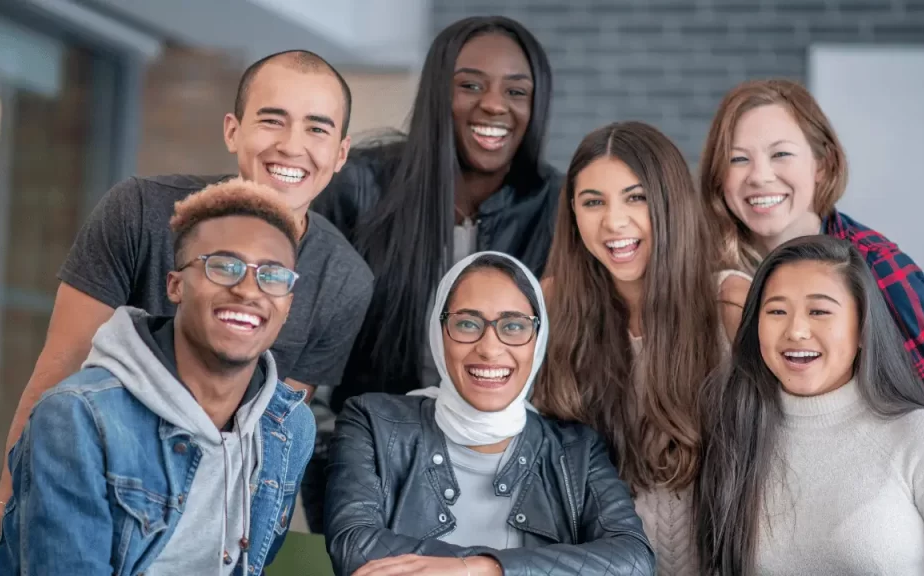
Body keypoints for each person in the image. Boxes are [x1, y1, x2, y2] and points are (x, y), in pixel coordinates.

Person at [0, 49, 373, 559]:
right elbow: (60, 367)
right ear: (232, 131)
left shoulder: (345, 281)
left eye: (317, 129)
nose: (292, 145)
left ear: (340, 153)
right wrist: (8, 502)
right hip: (94, 480)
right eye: (272, 120)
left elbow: (268, 431)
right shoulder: (138, 211)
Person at [305, 14, 562, 532]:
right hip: (367, 459)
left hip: (503, 470)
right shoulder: (359, 187)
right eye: (470, 85)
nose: (494, 105)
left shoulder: (558, 205)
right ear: (436, 93)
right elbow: (307, 334)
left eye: (516, 91)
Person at [698, 77, 924, 509]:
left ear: (822, 165)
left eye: (781, 154)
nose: (760, 176)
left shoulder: (876, 265)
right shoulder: (706, 271)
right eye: (738, 159)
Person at [0, 180, 317, 574]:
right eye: (223, 267)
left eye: (273, 275)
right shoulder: (77, 418)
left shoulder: (288, 426)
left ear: (287, 305)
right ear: (175, 286)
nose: (249, 291)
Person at [323, 252, 654, 576]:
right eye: (468, 324)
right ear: (439, 331)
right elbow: (354, 547)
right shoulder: (372, 422)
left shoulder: (577, 449)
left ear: (538, 340)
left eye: (514, 326)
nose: (490, 348)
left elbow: (633, 560)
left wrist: (485, 568)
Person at [694, 235, 924, 575]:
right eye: (777, 311)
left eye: (819, 311)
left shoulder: (922, 438)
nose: (796, 331)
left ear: (863, 329)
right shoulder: (736, 436)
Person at [531, 121, 744, 576]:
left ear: (670, 202)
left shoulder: (729, 304)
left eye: (636, 197)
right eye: (593, 202)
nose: (614, 221)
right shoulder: (549, 305)